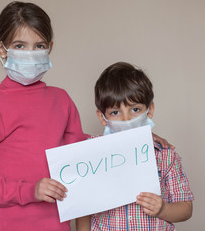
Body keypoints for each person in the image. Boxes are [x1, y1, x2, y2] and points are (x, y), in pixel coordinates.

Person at [0, 1, 172, 231]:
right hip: (9, 225)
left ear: (50, 47)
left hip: (57, 224)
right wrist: (30, 190)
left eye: (39, 45)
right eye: (20, 46)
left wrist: (134, 137)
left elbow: (84, 156)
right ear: (1, 49)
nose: (31, 54)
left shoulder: (61, 100)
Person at [76, 62, 194, 231]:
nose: (126, 120)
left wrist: (163, 209)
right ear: (102, 117)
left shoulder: (166, 156)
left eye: (135, 109)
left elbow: (186, 209)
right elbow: (82, 206)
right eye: (115, 112)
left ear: (150, 110)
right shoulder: (90, 155)